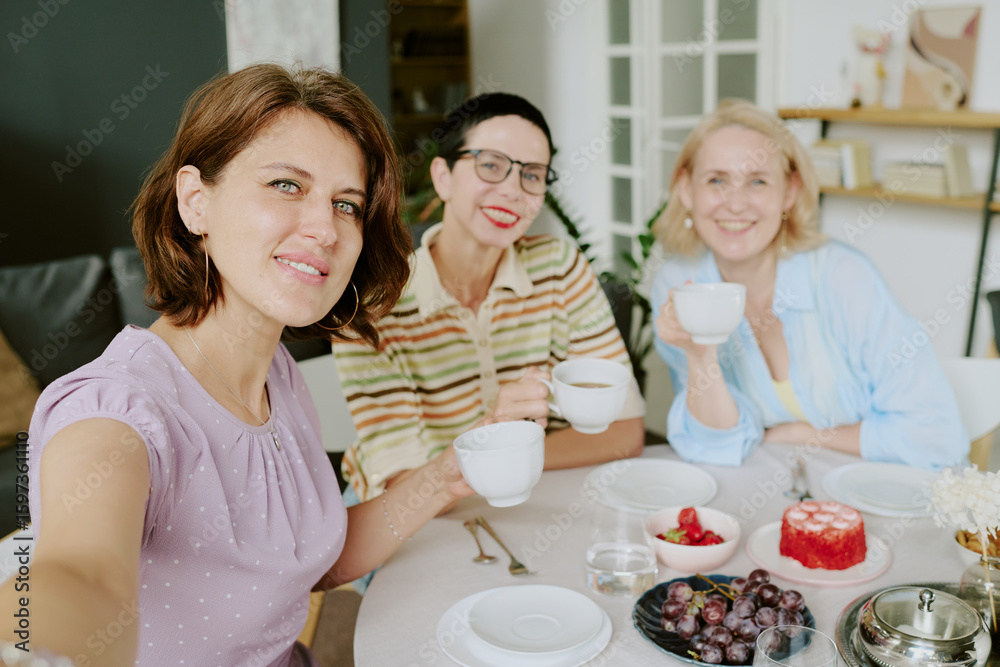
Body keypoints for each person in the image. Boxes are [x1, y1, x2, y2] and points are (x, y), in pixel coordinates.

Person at [0, 64, 526, 666]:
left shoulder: (278, 373)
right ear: (195, 202)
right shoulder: (116, 412)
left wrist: (452, 472)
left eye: (347, 204)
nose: (325, 229)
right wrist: (32, 643)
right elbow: (81, 576)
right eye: (286, 185)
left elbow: (308, 563)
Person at [333, 92, 646, 503]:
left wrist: (511, 464)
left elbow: (623, 432)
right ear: (443, 177)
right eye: (491, 165)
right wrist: (498, 435)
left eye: (532, 175)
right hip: (406, 520)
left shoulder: (559, 267)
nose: (513, 190)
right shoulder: (373, 308)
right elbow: (405, 494)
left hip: (524, 500)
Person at [651, 99, 967, 469]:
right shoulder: (678, 285)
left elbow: (937, 438)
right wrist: (700, 356)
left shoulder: (843, 277)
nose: (735, 204)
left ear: (789, 191)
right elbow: (717, 446)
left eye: (757, 181)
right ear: (686, 189)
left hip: (886, 488)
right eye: (716, 180)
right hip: (776, 488)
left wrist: (806, 435)